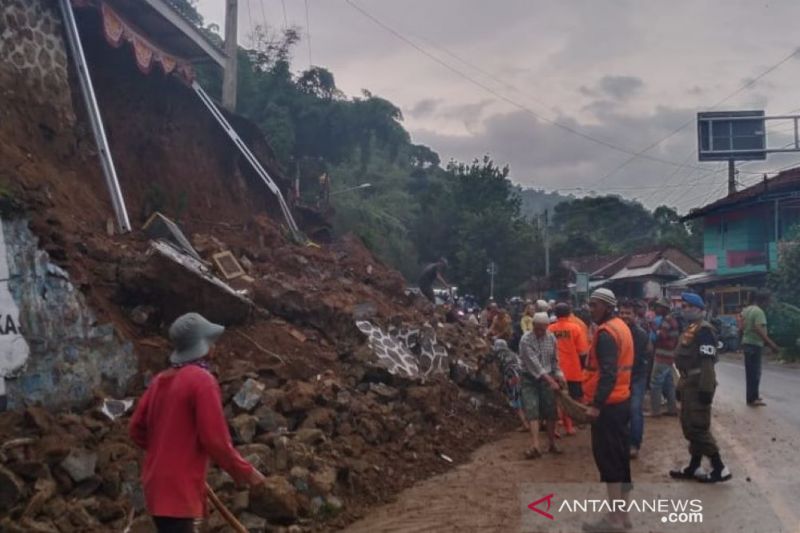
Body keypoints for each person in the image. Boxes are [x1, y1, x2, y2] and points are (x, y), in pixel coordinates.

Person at [129, 313, 266, 532]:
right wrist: (246, 473)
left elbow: (136, 429)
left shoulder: (160, 380)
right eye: (211, 341)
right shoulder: (202, 381)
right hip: (179, 489)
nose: (215, 347)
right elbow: (215, 441)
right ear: (203, 345)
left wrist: (167, 450)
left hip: (156, 486)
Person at [582, 289, 634, 532]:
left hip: (609, 407)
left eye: (594, 305)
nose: (590, 309)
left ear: (606, 307)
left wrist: (596, 405)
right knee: (621, 459)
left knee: (609, 462)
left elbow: (609, 373)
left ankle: (614, 521)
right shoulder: (621, 327)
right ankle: (623, 517)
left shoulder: (605, 334)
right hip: (621, 402)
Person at [670, 293, 732, 483]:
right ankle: (694, 466)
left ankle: (719, 467)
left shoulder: (704, 331)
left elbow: (707, 363)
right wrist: (681, 385)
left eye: (688, 306)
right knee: (689, 426)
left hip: (699, 384)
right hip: (689, 382)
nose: (684, 309)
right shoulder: (692, 328)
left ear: (698, 309)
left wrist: (706, 389)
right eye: (683, 306)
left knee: (698, 427)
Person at [519, 312, 565, 459]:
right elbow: (535, 366)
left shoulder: (551, 338)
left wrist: (559, 375)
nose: (540, 332)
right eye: (538, 328)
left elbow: (554, 360)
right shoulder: (526, 340)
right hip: (529, 378)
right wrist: (551, 381)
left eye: (543, 329)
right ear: (533, 326)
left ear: (546, 327)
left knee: (551, 411)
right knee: (532, 411)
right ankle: (536, 445)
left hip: (548, 377)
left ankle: (552, 443)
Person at [548, 303, 590, 435]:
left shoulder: (549, 329)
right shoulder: (576, 328)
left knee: (556, 399)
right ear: (569, 313)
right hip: (573, 370)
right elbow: (583, 351)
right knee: (574, 398)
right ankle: (571, 426)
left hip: (554, 370)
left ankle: (555, 427)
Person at [619, 300, 652, 459]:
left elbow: (640, 357)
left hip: (637, 376)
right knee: (620, 411)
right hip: (621, 378)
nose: (625, 316)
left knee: (635, 410)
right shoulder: (616, 331)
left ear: (634, 315)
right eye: (622, 313)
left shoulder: (640, 334)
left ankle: (634, 444)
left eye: (628, 313)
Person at [741, 290, 779, 406]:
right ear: (763, 301)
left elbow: (741, 326)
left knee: (750, 372)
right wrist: (770, 343)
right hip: (754, 344)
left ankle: (752, 397)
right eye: (768, 301)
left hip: (747, 343)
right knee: (755, 372)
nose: (769, 304)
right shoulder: (759, 312)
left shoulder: (747, 310)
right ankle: (753, 399)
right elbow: (758, 328)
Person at [492, 339, 529, 432]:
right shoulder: (512, 353)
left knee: (516, 402)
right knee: (525, 400)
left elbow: (502, 369)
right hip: (524, 377)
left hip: (513, 378)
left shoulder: (499, 355)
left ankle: (525, 424)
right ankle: (533, 423)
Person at [650, 298, 679, 417]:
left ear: (665, 309)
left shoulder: (667, 320)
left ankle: (655, 411)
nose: (656, 309)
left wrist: (653, 328)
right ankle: (672, 409)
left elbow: (661, 335)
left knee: (655, 383)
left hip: (663, 355)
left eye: (659, 307)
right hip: (669, 355)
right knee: (668, 383)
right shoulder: (671, 319)